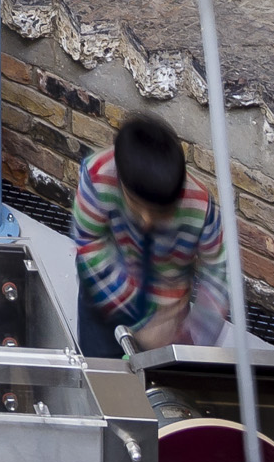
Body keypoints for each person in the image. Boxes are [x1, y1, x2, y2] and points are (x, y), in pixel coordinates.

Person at [71, 111, 232, 358]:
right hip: (106, 293)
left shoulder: (200, 206)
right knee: (102, 369)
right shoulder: (97, 176)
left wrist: (193, 339)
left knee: (162, 376)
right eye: (136, 205)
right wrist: (143, 318)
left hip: (168, 315)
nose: (147, 221)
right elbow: (89, 244)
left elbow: (219, 277)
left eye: (161, 212)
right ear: (120, 179)